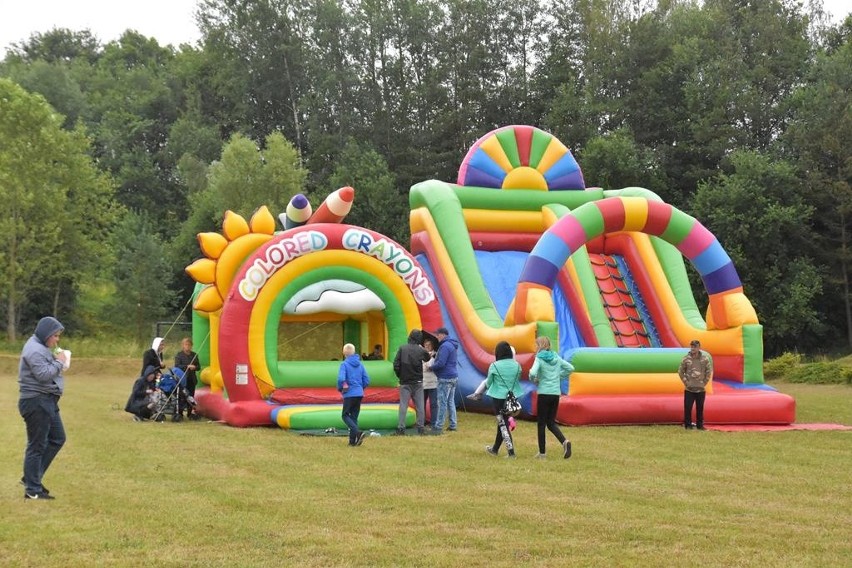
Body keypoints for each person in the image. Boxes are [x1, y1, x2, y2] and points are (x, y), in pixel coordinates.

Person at [18, 316, 68, 500]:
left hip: (47, 401)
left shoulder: (41, 346)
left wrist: (56, 358)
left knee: (57, 438)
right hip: (36, 402)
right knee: (36, 445)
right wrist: (60, 361)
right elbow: (43, 374)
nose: (57, 339)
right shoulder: (34, 350)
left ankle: (31, 478)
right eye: (55, 336)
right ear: (46, 334)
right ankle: (32, 489)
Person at [529, 336, 573, 459]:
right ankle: (565, 441)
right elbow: (570, 368)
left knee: (541, 424)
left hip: (544, 393)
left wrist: (534, 379)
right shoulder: (556, 357)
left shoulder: (539, 358)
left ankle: (542, 453)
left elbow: (532, 372)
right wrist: (558, 376)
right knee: (551, 422)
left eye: (536, 345)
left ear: (540, 346)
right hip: (555, 394)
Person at [484, 341, 522, 458]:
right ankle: (495, 449)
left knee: (502, 424)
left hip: (498, 398)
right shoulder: (517, 365)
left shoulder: (494, 365)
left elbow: (489, 382)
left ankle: (511, 452)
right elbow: (518, 378)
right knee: (503, 423)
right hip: (513, 398)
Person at [393, 329, 430, 435]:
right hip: (418, 381)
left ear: (410, 337)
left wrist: (400, 375)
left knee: (403, 405)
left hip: (405, 381)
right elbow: (427, 359)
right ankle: (421, 428)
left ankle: (401, 428)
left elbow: (396, 364)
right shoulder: (420, 350)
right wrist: (423, 349)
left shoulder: (402, 348)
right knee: (420, 406)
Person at [338, 343, 370, 446]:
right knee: (354, 418)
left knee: (345, 415)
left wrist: (342, 387)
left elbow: (341, 379)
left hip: (349, 394)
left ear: (344, 353)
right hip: (359, 394)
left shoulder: (344, 364)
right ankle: (352, 442)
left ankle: (358, 432)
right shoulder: (360, 364)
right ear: (354, 351)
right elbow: (367, 380)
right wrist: (360, 388)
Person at [430, 327, 460, 432]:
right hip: (453, 377)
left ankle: (438, 426)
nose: (437, 337)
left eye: (438, 335)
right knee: (450, 402)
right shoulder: (451, 344)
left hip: (445, 378)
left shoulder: (444, 346)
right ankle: (453, 425)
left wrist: (431, 367)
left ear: (443, 335)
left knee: (442, 402)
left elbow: (441, 363)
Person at [679, 339, 712, 430]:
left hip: (700, 389)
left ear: (699, 348)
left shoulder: (704, 359)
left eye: (695, 346)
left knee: (700, 408)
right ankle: (688, 425)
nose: (693, 348)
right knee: (688, 407)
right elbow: (680, 371)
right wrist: (686, 382)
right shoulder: (686, 359)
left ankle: (700, 425)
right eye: (692, 346)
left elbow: (708, 371)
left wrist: (704, 383)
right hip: (689, 389)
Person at [174, 337, 200, 419]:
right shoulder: (179, 355)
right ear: (183, 345)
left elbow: (198, 367)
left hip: (191, 379)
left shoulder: (194, 355)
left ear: (191, 346)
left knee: (191, 396)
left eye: (189, 345)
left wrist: (194, 367)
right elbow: (177, 366)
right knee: (181, 396)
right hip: (182, 379)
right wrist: (187, 366)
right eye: (186, 344)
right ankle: (180, 413)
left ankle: (190, 413)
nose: (187, 346)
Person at [422, 337, 438, 427]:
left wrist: (429, 362)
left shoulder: (435, 355)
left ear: (432, 346)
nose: (427, 346)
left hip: (432, 383)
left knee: (433, 403)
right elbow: (424, 367)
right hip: (423, 383)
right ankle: (422, 421)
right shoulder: (421, 354)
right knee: (422, 403)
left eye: (429, 345)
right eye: (426, 345)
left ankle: (433, 422)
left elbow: (430, 366)